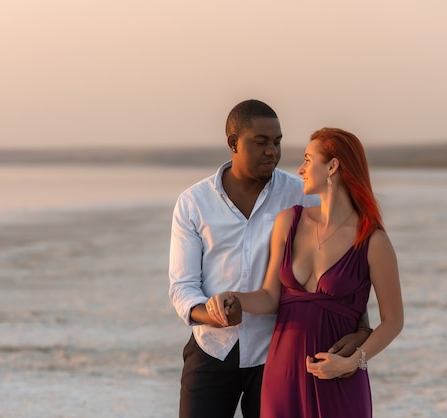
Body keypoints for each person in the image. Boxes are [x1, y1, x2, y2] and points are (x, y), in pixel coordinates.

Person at [168, 101, 371, 418]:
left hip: (278, 354)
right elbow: (182, 287)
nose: (272, 152)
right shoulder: (193, 203)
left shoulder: (299, 194)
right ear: (233, 143)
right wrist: (214, 314)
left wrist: (362, 328)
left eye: (277, 142)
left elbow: (338, 261)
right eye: (260, 142)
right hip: (212, 350)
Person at [209, 127, 404, 417]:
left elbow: (393, 321)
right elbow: (269, 297)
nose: (300, 169)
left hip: (338, 375)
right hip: (283, 373)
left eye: (308, 160)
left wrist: (353, 362)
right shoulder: (288, 222)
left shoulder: (372, 240)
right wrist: (230, 296)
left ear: (333, 166)